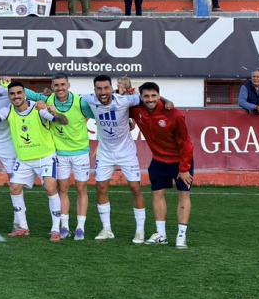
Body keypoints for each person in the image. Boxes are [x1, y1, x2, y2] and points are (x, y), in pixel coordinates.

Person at [0, 82, 68, 239]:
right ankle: (23, 227)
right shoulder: (9, 110)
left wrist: (54, 113)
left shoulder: (38, 109)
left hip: (45, 157)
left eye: (19, 93)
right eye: (12, 94)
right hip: (25, 159)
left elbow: (62, 121)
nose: (16, 96)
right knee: (14, 187)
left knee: (50, 188)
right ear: (9, 96)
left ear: (25, 94)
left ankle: (55, 229)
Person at [0, 64, 46, 235]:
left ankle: (18, 221)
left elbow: (33, 96)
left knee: (14, 181)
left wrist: (44, 98)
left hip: (9, 142)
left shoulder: (8, 90)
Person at [82, 74, 148, 243]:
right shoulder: (88, 99)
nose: (103, 92)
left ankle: (140, 231)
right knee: (101, 188)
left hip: (126, 152)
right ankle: (106, 229)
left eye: (106, 88)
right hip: (105, 152)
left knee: (135, 188)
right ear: (94, 90)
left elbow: (146, 98)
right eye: (99, 89)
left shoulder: (124, 100)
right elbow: (67, 99)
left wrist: (166, 102)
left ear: (112, 88)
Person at [129, 82, 194, 249]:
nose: (150, 100)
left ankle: (181, 236)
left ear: (159, 96)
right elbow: (118, 101)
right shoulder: (137, 110)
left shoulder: (174, 115)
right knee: (157, 195)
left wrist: (184, 168)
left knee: (183, 196)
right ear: (141, 98)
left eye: (153, 96)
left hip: (180, 161)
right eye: (146, 96)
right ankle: (161, 235)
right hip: (158, 160)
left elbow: (186, 143)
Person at [46, 73, 94, 240]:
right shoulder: (48, 100)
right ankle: (64, 226)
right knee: (63, 189)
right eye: (56, 85)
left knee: (81, 189)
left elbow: (98, 114)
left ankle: (80, 227)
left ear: (68, 85)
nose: (60, 88)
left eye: (62, 85)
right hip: (60, 152)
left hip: (80, 152)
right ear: (52, 87)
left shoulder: (81, 102)